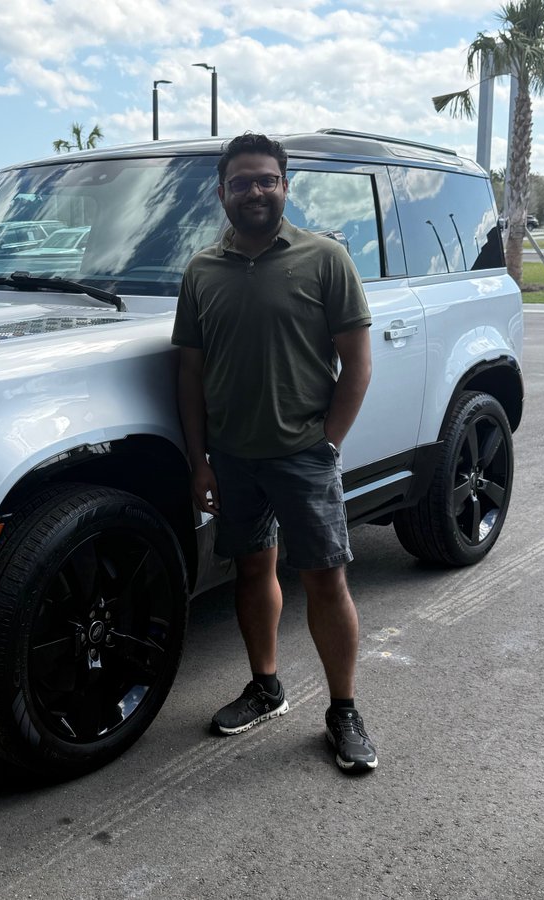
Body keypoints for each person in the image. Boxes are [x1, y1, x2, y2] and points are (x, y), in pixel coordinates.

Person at [171, 132, 377, 773]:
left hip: (302, 455)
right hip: (232, 458)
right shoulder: (202, 270)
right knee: (253, 572)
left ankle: (343, 710)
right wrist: (200, 459)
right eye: (241, 182)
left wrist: (327, 444)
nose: (255, 191)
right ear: (222, 192)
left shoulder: (325, 258)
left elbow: (358, 364)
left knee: (325, 578)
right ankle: (266, 687)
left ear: (286, 186)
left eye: (266, 180)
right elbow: (190, 373)